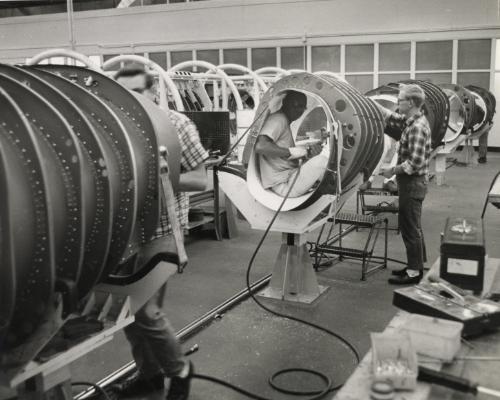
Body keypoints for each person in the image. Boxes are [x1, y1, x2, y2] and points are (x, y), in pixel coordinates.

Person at [114, 66, 209, 400]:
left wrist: (158, 178)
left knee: (146, 311)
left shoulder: (177, 125)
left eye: (137, 92)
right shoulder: (116, 126)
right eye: (122, 93)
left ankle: (179, 370)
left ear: (154, 93)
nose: (129, 100)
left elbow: (200, 179)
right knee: (129, 312)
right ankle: (149, 375)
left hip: (163, 231)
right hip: (126, 234)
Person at [380, 84, 431, 285]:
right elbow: (395, 118)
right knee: (413, 226)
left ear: (410, 103)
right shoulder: (413, 121)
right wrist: (372, 106)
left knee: (410, 227)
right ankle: (415, 265)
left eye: (400, 100)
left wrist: (391, 171)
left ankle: (414, 273)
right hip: (411, 183)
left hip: (412, 183)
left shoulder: (417, 128)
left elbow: (414, 163)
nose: (397, 103)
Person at [254, 91, 330, 197]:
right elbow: (261, 146)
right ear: (285, 103)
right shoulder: (278, 119)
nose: (298, 110)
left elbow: (283, 159)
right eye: (295, 105)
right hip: (283, 184)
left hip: (289, 177)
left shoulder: (284, 121)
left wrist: (306, 155)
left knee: (323, 168)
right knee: (322, 161)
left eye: (302, 107)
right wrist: (292, 152)